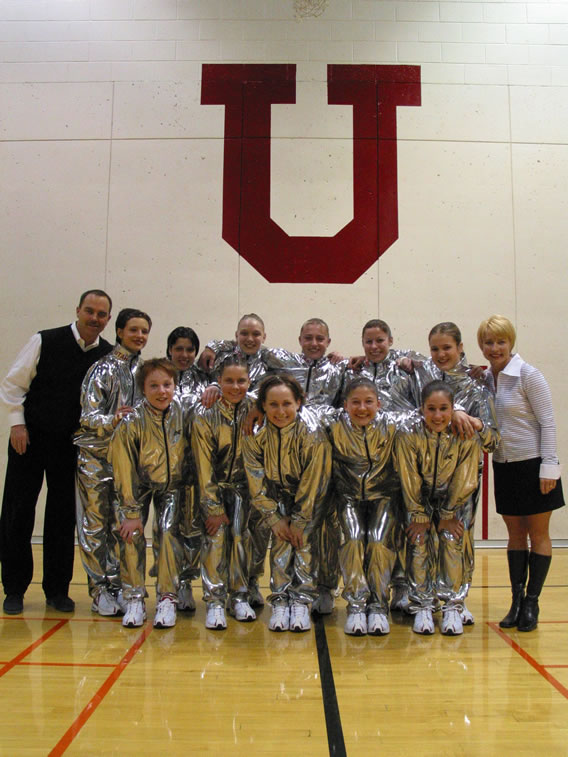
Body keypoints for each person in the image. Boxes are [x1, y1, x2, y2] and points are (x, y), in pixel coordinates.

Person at [0, 289, 113, 615]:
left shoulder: (107, 356)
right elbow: (13, 385)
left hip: (71, 447)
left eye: (101, 314)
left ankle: (57, 591)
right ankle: (14, 589)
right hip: (29, 440)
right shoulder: (44, 340)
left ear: (108, 319)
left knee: (62, 519)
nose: (94, 318)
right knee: (18, 514)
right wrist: (17, 425)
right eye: (89, 311)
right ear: (78, 310)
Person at [397, 321, 499, 625]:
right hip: (421, 474)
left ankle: (455, 599)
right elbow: (400, 412)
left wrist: (475, 423)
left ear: (460, 347)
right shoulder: (419, 373)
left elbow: (493, 440)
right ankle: (422, 600)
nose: (441, 354)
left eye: (447, 348)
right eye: (435, 349)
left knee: (455, 538)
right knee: (419, 538)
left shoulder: (476, 384)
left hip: (460, 480)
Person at [477, 315, 564, 632]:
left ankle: (532, 602)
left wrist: (549, 467)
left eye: (500, 341)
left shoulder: (529, 375)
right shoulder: (485, 379)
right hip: (504, 465)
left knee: (538, 534)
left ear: (511, 342)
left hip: (534, 465)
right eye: (488, 342)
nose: (495, 348)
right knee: (515, 536)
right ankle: (515, 601)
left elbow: (548, 422)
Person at [74, 308, 151, 616]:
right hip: (96, 459)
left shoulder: (145, 371)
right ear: (119, 332)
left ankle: (122, 585)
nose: (139, 335)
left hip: (129, 465)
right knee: (95, 526)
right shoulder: (101, 368)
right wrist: (113, 419)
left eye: (144, 331)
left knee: (126, 527)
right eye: (134, 330)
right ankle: (99, 590)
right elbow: (87, 417)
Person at [243, 375, 331, 633]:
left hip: (311, 497)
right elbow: (255, 479)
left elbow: (313, 481)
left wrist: (300, 521)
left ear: (298, 403)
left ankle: (301, 599)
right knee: (281, 540)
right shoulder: (255, 433)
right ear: (263, 406)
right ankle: (280, 599)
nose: (280, 411)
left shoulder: (312, 433)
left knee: (302, 541)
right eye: (273, 405)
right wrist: (274, 517)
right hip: (274, 495)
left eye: (287, 404)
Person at [318, 378, 406, 636]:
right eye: (355, 402)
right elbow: (301, 411)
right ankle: (356, 606)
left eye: (368, 402)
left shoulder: (393, 424)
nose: (362, 408)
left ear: (379, 403)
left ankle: (378, 605)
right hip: (348, 496)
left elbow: (426, 413)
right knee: (353, 539)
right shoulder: (333, 423)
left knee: (378, 542)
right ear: (345, 405)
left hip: (384, 496)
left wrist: (459, 412)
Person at [109, 358, 191, 628]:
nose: (161, 391)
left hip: (172, 486)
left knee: (168, 534)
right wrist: (130, 512)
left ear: (175, 385)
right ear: (142, 389)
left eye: (167, 384)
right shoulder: (131, 421)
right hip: (139, 487)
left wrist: (213, 387)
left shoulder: (185, 411)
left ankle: (167, 596)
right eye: (153, 386)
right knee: (130, 534)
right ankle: (134, 596)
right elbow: (123, 469)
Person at [192, 355, 256, 630]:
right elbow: (203, 466)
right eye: (229, 381)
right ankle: (215, 600)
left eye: (241, 380)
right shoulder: (205, 414)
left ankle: (239, 595)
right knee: (215, 538)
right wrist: (213, 508)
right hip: (214, 487)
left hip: (244, 488)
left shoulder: (256, 408)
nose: (235, 386)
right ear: (218, 381)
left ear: (249, 382)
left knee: (241, 537)